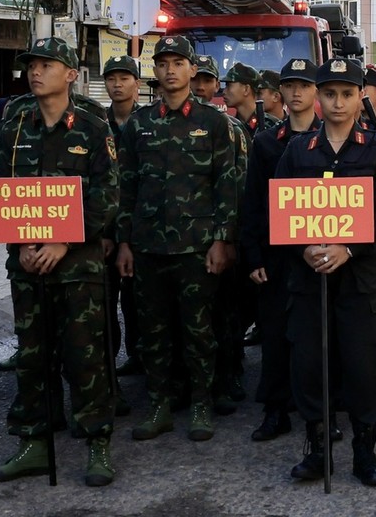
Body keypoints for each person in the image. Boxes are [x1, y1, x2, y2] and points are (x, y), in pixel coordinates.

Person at [0, 39, 121, 486]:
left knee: (86, 355)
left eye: (47, 65)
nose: (35, 72)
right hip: (26, 264)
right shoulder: (14, 125)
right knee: (33, 355)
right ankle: (34, 443)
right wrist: (20, 239)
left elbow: (107, 196)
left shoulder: (93, 127)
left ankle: (97, 442)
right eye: (32, 65)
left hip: (78, 265)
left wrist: (63, 241)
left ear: (71, 74)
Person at [272, 58, 376, 486]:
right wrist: (303, 246)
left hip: (358, 278)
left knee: (363, 366)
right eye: (329, 93)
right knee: (310, 364)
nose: (338, 102)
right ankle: (318, 448)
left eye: (347, 93)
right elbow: (282, 211)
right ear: (317, 96)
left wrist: (349, 246)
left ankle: (364, 451)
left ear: (359, 97)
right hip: (309, 281)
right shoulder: (297, 151)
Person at [114, 35, 243, 444]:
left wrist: (224, 239)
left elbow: (228, 185)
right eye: (163, 62)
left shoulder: (214, 122)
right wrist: (124, 242)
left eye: (178, 63)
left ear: (192, 69)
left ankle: (202, 403)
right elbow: (125, 187)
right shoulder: (139, 124)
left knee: (199, 330)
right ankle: (159, 405)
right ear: (155, 70)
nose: (170, 70)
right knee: (153, 332)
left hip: (197, 247)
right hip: (148, 246)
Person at [243, 58, 322, 442]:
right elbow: (254, 202)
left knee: (321, 337)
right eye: (289, 85)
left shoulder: (332, 138)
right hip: (277, 254)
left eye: (304, 85)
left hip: (319, 253)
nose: (296, 92)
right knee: (275, 335)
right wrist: (254, 255)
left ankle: (322, 414)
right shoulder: (265, 141)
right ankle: (275, 411)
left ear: (315, 92)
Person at [210, 62, 271, 416]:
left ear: (248, 88)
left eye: (229, 83)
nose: (224, 88)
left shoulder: (267, 130)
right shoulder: (225, 125)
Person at [102, 55, 144, 385]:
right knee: (103, 302)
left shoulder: (147, 124)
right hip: (102, 229)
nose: (117, 84)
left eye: (124, 78)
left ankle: (138, 354)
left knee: (136, 300)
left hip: (138, 228)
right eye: (112, 78)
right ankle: (107, 367)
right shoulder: (95, 124)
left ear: (137, 84)